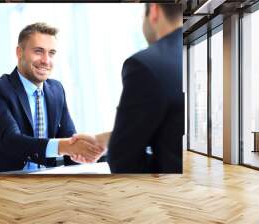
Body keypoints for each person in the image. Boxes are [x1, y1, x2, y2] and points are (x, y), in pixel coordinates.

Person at [72, 3, 184, 173]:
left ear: (154, 11)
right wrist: (105, 139)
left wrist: (118, 144)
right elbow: (172, 130)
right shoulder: (200, 51)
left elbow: (123, 159)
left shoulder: (147, 64)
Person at [0, 23, 104, 173]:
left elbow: (69, 137)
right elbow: (11, 142)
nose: (46, 60)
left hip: (46, 176)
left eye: (51, 53)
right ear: (20, 52)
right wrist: (65, 146)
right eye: (38, 51)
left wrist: (83, 156)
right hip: (4, 178)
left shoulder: (56, 89)